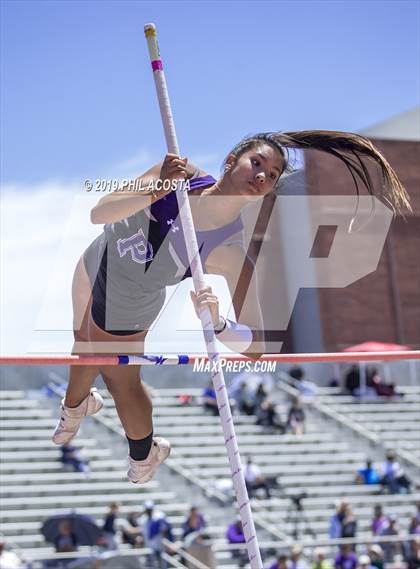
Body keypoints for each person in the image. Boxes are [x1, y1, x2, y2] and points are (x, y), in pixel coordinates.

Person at [51, 130, 411, 483]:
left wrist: (219, 323)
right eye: (256, 163)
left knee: (114, 375)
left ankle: (141, 453)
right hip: (97, 258)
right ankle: (82, 411)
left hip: (132, 297)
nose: (261, 176)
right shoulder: (180, 172)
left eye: (270, 176)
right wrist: (157, 187)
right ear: (229, 162)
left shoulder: (229, 251)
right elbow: (100, 213)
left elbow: (256, 348)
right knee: (82, 344)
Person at [139, 500, 174, 568]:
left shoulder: (158, 518)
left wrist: (167, 543)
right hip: (148, 546)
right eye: (147, 510)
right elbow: (144, 534)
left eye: (150, 509)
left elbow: (166, 530)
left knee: (162, 564)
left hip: (159, 546)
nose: (149, 511)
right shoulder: (143, 519)